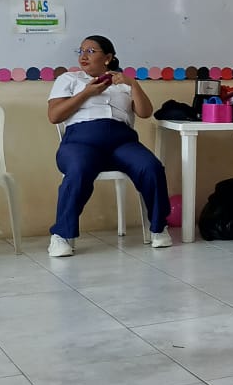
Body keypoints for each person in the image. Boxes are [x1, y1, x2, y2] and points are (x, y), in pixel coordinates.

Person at [46, 35, 170, 257]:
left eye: (91, 51)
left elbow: (145, 112)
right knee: (78, 170)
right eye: (81, 51)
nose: (83, 56)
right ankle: (61, 235)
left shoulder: (123, 83)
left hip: (122, 142)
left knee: (151, 167)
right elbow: (54, 116)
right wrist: (87, 93)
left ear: (108, 57)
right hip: (80, 142)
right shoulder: (69, 79)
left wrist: (133, 84)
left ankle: (159, 228)